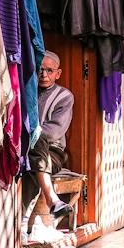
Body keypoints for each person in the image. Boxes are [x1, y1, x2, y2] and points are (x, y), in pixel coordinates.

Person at [32, 51, 75, 217]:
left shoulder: (64, 96)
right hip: (29, 148)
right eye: (40, 69)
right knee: (29, 165)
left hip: (53, 151)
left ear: (58, 73)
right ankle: (53, 202)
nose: (44, 75)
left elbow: (53, 132)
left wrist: (30, 133)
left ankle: (24, 223)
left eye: (49, 70)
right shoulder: (28, 91)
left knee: (35, 148)